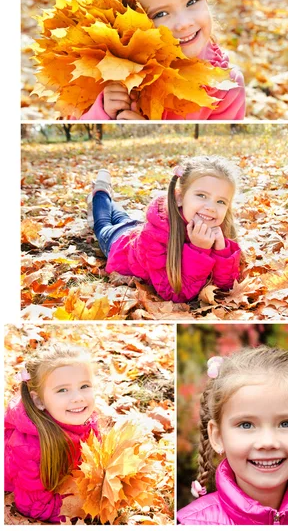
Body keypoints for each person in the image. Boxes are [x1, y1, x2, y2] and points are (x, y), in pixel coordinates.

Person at [177, 346, 288, 525]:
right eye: (246, 425)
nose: (267, 442)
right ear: (218, 437)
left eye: (286, 423)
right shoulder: (193, 523)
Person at [78, 0, 245, 120]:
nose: (183, 23)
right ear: (129, 24)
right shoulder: (110, 71)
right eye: (160, 14)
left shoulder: (226, 85)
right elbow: (74, 118)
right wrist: (102, 111)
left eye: (192, 2)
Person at [88, 155, 241, 303]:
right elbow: (174, 293)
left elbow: (226, 287)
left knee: (122, 217)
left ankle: (110, 200)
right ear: (180, 197)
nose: (211, 208)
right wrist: (199, 249)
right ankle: (101, 192)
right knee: (102, 223)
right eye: (201, 195)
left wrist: (222, 250)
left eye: (221, 201)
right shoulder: (155, 237)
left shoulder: (214, 227)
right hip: (118, 244)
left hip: (135, 228)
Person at [4, 343, 99, 523]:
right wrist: (79, 509)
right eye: (63, 390)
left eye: (84, 386)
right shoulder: (30, 449)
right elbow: (34, 506)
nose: (78, 397)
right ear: (39, 401)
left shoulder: (87, 419)